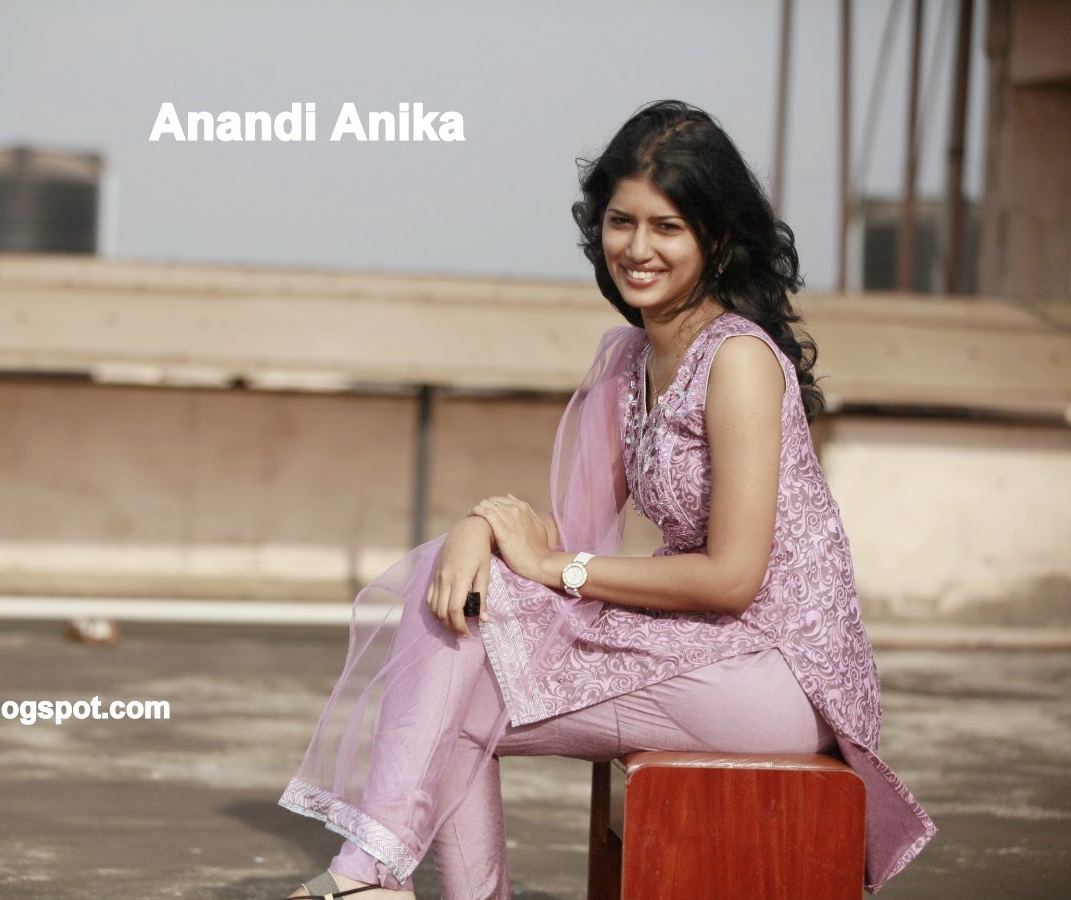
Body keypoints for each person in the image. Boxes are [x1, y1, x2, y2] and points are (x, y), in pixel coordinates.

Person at [281, 100, 934, 900]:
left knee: (459, 686)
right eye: (622, 222)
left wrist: (556, 568)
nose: (637, 247)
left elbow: (732, 577)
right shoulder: (630, 357)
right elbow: (573, 526)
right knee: (454, 632)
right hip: (699, 647)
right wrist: (475, 530)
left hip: (778, 676)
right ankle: (379, 878)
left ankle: (370, 874)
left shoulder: (738, 362)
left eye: (667, 227)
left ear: (716, 238)